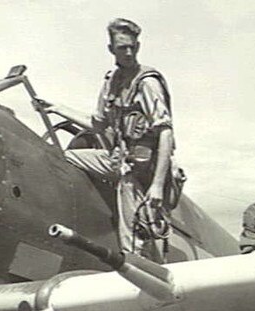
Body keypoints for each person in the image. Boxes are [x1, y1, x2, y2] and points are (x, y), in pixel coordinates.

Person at [45, 18, 176, 261]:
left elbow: (165, 132)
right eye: (122, 47)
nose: (128, 52)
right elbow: (98, 124)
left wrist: (157, 185)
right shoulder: (111, 81)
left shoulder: (147, 83)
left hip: (141, 172)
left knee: (132, 245)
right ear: (111, 49)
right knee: (60, 157)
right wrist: (58, 108)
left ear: (138, 45)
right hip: (116, 159)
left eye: (132, 47)